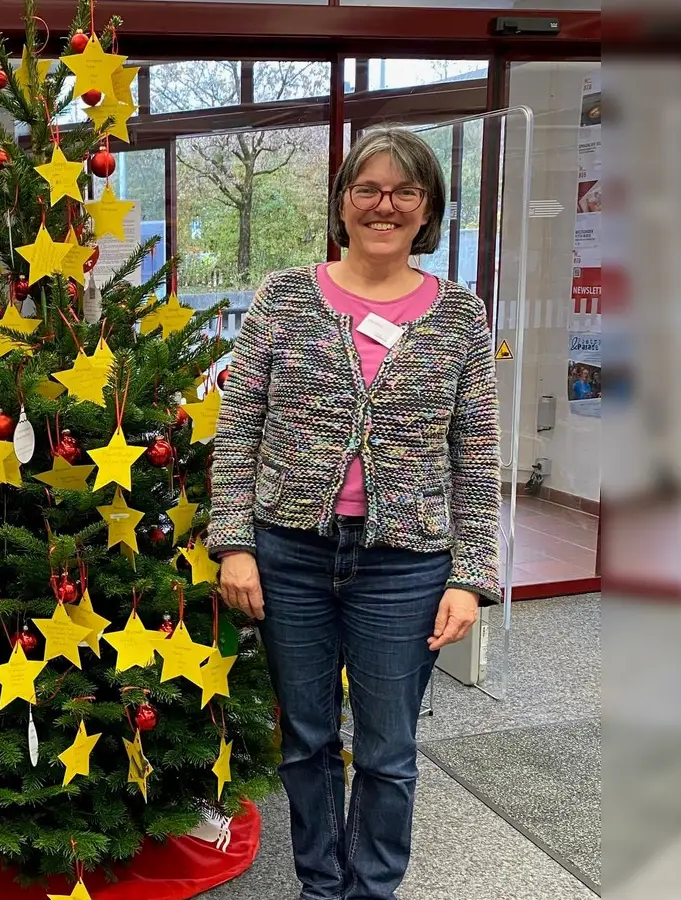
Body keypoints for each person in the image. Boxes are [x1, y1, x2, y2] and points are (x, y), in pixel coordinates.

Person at [210, 126, 501, 900]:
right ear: (342, 202)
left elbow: (476, 455)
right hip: (290, 554)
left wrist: (471, 577)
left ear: (429, 207)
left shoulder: (460, 316)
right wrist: (234, 544)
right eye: (368, 189)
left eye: (405, 191)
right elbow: (239, 427)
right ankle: (320, 885)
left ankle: (372, 891)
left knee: (386, 749)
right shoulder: (284, 296)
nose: (385, 205)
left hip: (406, 565)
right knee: (306, 740)